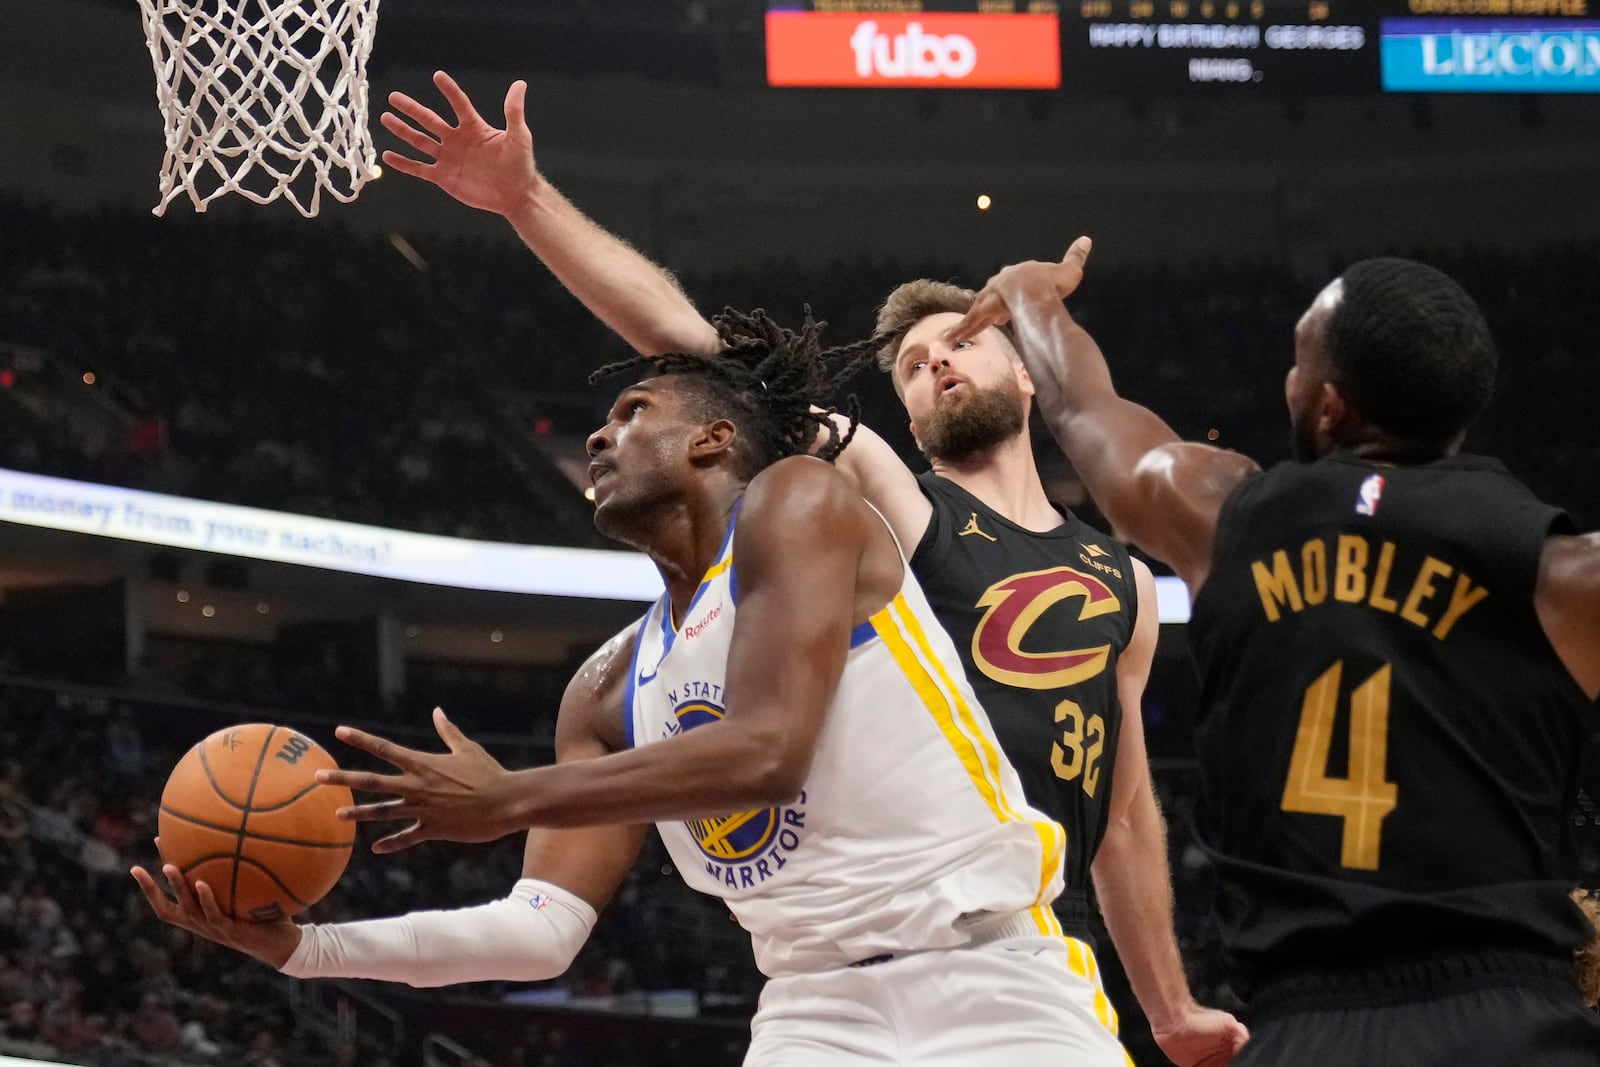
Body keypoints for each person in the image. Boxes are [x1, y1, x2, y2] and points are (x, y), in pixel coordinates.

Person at [375, 69, 1245, 1067]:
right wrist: (526, 202)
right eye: (912, 366)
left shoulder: (1123, 580)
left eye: (961, 344)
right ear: (905, 417)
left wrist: (1170, 1003)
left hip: (1033, 951)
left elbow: (1123, 811)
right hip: (870, 941)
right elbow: (693, 351)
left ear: (1021, 366)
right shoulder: (896, 504)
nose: (936, 365)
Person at [134, 312, 1128, 1065]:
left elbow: (766, 748)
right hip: (813, 1013)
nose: (598, 438)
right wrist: (306, 948)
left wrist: (509, 796)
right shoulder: (604, 686)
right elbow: (536, 934)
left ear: (711, 441)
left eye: (629, 413)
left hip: (991, 978)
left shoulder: (801, 502)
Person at [949, 244, 1600, 1064]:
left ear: (1328, 407)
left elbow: (1085, 411)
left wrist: (1034, 298)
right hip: (1509, 1016)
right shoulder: (1562, 573)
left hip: (1307, 1022)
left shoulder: (1226, 518)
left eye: (1297, 364)